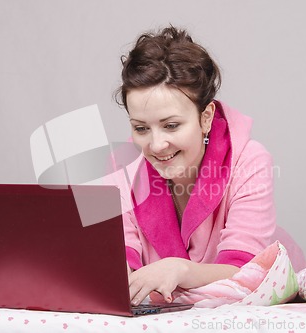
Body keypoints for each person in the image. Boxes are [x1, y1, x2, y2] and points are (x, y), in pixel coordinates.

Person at [115, 26, 283, 306]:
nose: (156, 145)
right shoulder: (120, 169)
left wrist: (180, 270)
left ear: (206, 117)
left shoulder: (250, 161)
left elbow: (244, 269)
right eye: (141, 128)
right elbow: (114, 261)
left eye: (171, 126)